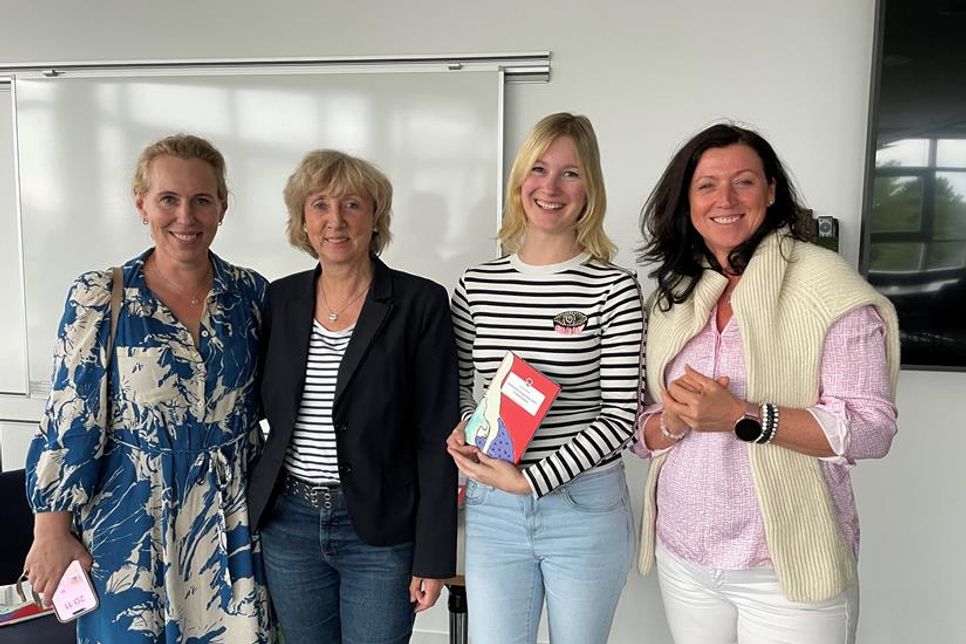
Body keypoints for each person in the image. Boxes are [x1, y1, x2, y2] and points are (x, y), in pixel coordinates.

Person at [633, 123, 900, 644]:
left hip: (785, 567)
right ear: (687, 200)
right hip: (684, 558)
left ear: (771, 190)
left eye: (744, 182)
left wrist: (742, 415)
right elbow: (643, 428)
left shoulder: (825, 285)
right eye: (707, 185)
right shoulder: (673, 294)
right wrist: (672, 421)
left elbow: (872, 429)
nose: (725, 200)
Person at [23, 134, 273, 641]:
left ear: (223, 207)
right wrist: (50, 529)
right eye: (168, 199)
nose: (186, 216)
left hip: (232, 527)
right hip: (129, 526)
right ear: (141, 204)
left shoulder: (251, 295)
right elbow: (69, 419)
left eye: (202, 200)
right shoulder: (100, 296)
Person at [247, 150, 459, 643]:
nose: (336, 220)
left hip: (380, 531)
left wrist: (433, 556)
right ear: (303, 220)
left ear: (376, 216)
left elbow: (436, 435)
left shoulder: (419, 303)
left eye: (352, 204)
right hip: (290, 525)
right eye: (320, 205)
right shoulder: (279, 299)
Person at [447, 112, 644, 644]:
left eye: (569, 173)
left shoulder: (614, 289)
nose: (550, 187)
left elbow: (620, 417)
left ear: (590, 188)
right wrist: (469, 429)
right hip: (494, 510)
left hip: (583, 509)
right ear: (519, 181)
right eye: (538, 169)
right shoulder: (476, 285)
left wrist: (532, 479)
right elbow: (461, 387)